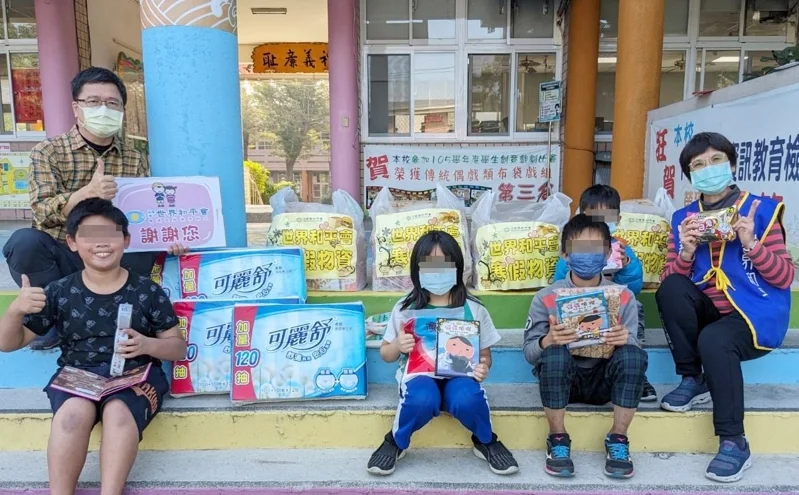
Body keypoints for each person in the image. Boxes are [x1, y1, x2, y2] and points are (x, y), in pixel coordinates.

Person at [0, 198, 187, 495]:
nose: (101, 244)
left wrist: (146, 343)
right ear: (73, 243)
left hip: (135, 376)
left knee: (118, 412)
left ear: (125, 240)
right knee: (72, 415)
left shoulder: (147, 291)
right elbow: (8, 344)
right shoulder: (60, 291)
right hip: (79, 376)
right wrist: (15, 311)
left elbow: (178, 349)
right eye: (89, 235)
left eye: (110, 234)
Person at [2, 67, 188, 350]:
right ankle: (51, 320)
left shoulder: (133, 158)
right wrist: (85, 193)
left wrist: (166, 236)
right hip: (64, 251)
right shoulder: (49, 151)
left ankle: (121, 318)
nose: (104, 109)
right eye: (93, 102)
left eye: (113, 103)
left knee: (142, 246)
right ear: (76, 108)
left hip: (110, 252)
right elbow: (42, 211)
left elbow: (145, 213)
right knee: (25, 242)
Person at [656, 132, 794, 483]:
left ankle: (734, 441)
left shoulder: (759, 210)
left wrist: (751, 243)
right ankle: (693, 379)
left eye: (716, 160)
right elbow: (671, 276)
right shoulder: (685, 218)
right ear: (690, 176)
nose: (708, 169)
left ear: (731, 164)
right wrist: (686, 251)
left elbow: (784, 277)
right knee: (671, 288)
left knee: (716, 340)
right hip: (710, 312)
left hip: (753, 316)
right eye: (698, 165)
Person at [366, 230, 519, 476]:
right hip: (419, 378)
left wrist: (482, 368)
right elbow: (386, 354)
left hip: (459, 377)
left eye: (444, 264)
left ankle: (486, 440)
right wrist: (397, 346)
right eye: (429, 264)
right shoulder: (405, 307)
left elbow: (485, 356)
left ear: (457, 267)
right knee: (422, 399)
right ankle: (395, 441)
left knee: (468, 398)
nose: (437, 271)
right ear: (417, 269)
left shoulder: (474, 308)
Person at [524, 214, 647, 479]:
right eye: (579, 248)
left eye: (595, 248)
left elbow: (636, 348)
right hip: (564, 382)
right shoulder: (546, 297)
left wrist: (625, 339)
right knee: (554, 352)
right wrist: (548, 340)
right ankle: (557, 438)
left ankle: (618, 439)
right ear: (565, 255)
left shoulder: (624, 295)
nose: (587, 256)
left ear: (607, 255)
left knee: (633, 356)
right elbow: (530, 353)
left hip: (605, 381)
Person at [554, 184, 656, 402]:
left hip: (615, 305)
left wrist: (626, 264)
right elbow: (558, 282)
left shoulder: (622, 248)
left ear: (617, 220)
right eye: (593, 216)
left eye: (606, 216)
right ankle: (566, 373)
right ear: (581, 216)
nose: (600, 221)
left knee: (635, 307)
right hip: (579, 303)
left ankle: (639, 375)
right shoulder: (573, 246)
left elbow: (635, 286)